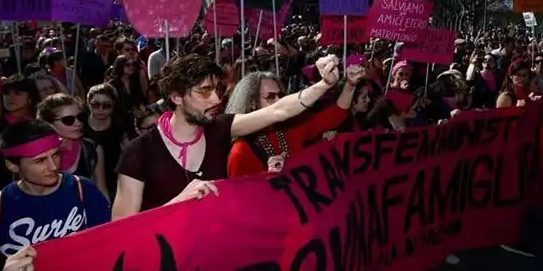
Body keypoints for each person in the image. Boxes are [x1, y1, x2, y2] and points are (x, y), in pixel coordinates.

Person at [113, 53, 343, 219]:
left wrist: (323, 85)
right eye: (204, 92)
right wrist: (176, 204)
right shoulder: (138, 153)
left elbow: (278, 111)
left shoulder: (220, 129)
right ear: (176, 97)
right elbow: (121, 232)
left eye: (217, 91)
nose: (215, 100)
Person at [0, 120, 111, 256]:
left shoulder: (83, 190)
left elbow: (108, 243)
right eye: (40, 160)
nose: (53, 166)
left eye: (56, 155)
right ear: (13, 165)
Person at [225, 67, 361, 177]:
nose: (279, 101)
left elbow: (336, 114)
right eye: (271, 97)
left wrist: (350, 85)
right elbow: (242, 203)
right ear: (252, 103)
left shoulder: (292, 127)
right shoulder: (240, 152)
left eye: (281, 95)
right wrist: (269, 178)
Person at [37, 93, 109, 198]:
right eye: (68, 120)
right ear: (49, 124)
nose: (78, 123)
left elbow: (101, 190)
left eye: (80, 117)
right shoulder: (36, 153)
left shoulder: (92, 148)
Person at [83, 83, 131, 200]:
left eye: (106, 105)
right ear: (88, 103)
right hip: (88, 181)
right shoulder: (80, 125)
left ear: (113, 105)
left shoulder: (120, 123)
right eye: (95, 104)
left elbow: (129, 153)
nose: (100, 109)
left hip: (116, 181)